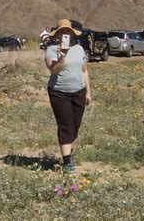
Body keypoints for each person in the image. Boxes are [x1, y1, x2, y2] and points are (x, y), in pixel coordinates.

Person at [44, 19, 92, 174]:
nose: (65, 34)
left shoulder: (79, 49)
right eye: (62, 32)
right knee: (65, 126)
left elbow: (84, 71)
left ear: (72, 34)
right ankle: (67, 164)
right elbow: (54, 70)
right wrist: (62, 56)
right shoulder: (51, 50)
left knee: (75, 127)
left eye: (68, 31)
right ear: (57, 35)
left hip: (79, 91)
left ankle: (68, 156)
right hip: (59, 92)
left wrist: (88, 91)